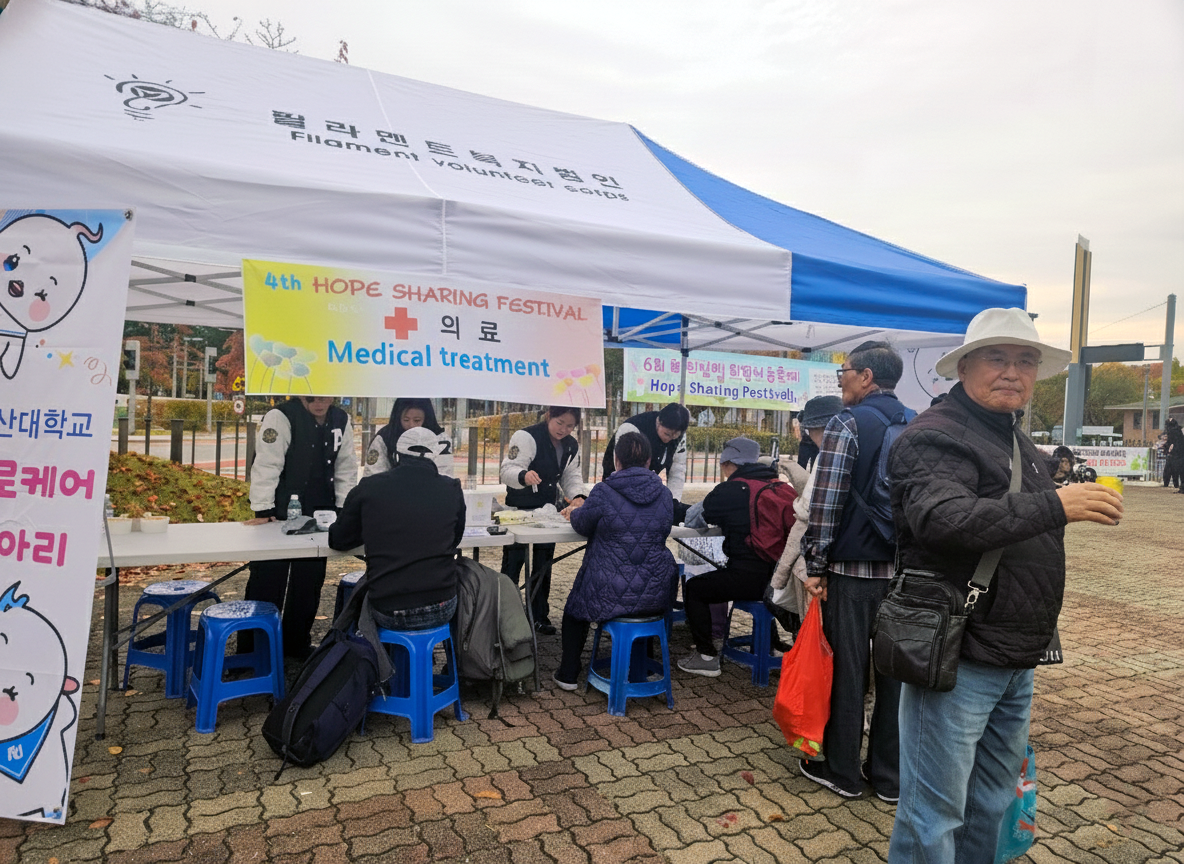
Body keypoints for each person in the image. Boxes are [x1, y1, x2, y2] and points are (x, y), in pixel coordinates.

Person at [886, 307, 1123, 863]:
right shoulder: (934, 437)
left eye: (1026, 361)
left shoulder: (1015, 439)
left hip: (1016, 654)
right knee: (933, 813)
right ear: (964, 366)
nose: (1012, 372)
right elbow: (943, 520)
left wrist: (1056, 504)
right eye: (997, 358)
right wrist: (1056, 505)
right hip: (959, 655)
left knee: (992, 800)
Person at [800, 340, 909, 802]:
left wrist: (816, 564)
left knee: (848, 671)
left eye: (844, 371)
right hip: (904, 575)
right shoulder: (917, 423)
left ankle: (842, 771)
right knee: (896, 677)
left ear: (866, 376)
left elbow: (826, 501)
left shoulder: (847, 423)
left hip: (852, 572)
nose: (841, 380)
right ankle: (888, 777)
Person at [552, 432, 677, 690]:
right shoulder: (664, 494)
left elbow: (583, 524)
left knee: (575, 611)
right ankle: (642, 665)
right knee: (642, 605)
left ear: (616, 460)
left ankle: (568, 674)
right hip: (656, 590)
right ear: (649, 461)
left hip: (607, 588)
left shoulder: (604, 491)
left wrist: (574, 512)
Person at [242, 395, 357, 660]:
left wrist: (343, 507)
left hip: (321, 512)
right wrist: (263, 507)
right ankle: (254, 649)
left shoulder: (341, 419)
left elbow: (346, 466)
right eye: (311, 397)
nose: (318, 402)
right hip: (280, 511)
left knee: (309, 580)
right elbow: (267, 464)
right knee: (267, 579)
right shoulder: (281, 416)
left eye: (324, 397)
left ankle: (296, 643)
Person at [329, 426, 465, 631]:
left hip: (388, 607)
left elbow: (339, 539)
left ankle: (368, 649)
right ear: (435, 456)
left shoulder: (369, 487)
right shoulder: (451, 488)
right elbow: (455, 538)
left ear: (396, 455)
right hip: (443, 604)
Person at [677, 436, 789, 677]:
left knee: (695, 588)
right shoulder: (778, 486)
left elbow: (694, 518)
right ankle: (769, 645)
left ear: (728, 463)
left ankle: (706, 656)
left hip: (749, 580)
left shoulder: (730, 490)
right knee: (749, 584)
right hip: (781, 581)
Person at [499, 406, 590, 635]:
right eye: (560, 423)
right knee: (513, 564)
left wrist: (578, 495)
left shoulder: (571, 445)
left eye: (570, 426)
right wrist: (523, 475)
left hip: (548, 513)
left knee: (543, 565)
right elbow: (507, 470)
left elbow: (571, 476)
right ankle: (503, 616)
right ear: (549, 416)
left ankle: (538, 615)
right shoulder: (526, 436)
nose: (563, 429)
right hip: (519, 511)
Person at [769, 395, 844, 632]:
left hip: (818, 561)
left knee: (814, 628)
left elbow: (811, 510)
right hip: (849, 557)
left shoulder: (829, 455)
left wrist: (815, 569)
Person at [602, 403, 691, 502]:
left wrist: (673, 501)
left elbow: (678, 470)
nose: (670, 439)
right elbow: (625, 472)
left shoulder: (679, 436)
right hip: (617, 481)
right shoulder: (632, 428)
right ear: (658, 422)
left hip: (645, 484)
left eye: (675, 436)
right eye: (667, 434)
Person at [364, 398, 454, 477]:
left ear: (426, 418)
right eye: (406, 420)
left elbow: (445, 475)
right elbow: (373, 475)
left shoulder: (440, 440)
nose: (411, 425)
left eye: (417, 420)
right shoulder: (384, 437)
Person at [1163, 418, 1184, 491]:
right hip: (1178, 454)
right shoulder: (1177, 430)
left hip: (1178, 454)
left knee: (1177, 470)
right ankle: (1179, 486)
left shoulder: (1174, 431)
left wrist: (1169, 449)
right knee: (1178, 471)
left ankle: (1179, 486)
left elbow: (1174, 442)